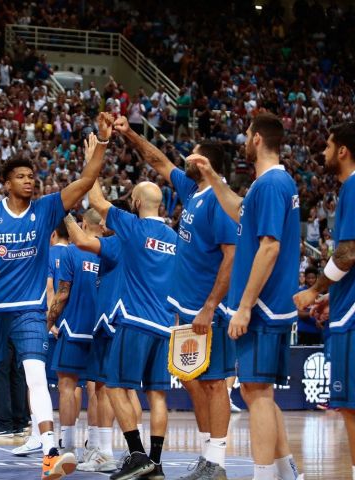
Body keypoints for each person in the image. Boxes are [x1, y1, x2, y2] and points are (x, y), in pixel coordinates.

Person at [0, 114, 112, 479]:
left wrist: (101, 143)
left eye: (31, 176)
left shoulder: (46, 208)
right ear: (7, 183)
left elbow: (86, 181)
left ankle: (50, 451)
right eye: (21, 176)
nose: (29, 180)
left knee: (36, 376)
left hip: (29, 310)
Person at [115, 116, 237, 478]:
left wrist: (210, 306)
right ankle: (207, 454)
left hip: (210, 308)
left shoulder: (219, 200)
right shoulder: (193, 190)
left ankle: (217, 461)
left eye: (194, 155)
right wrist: (129, 133)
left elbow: (232, 257)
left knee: (214, 383)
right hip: (186, 307)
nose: (186, 158)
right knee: (192, 380)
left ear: (206, 163)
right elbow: (158, 161)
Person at [189, 112, 303, 480]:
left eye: (246, 132)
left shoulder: (270, 184)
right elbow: (239, 211)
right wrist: (212, 176)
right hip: (269, 305)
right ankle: (287, 473)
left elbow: (269, 247)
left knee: (257, 394)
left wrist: (244, 307)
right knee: (259, 392)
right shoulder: (268, 185)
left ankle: (264, 475)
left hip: (263, 306)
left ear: (256, 139)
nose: (243, 138)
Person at [294, 123, 355, 480]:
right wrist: (334, 296)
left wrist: (313, 290)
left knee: (354, 408)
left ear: (343, 151)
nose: (324, 152)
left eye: (329, 145)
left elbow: (348, 253)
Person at [87, 174, 178, 479]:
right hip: (165, 325)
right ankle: (156, 463)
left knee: (113, 386)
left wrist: (92, 162)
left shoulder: (133, 226)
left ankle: (137, 455)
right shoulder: (175, 239)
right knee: (157, 395)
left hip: (136, 319)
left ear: (136, 202)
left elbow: (96, 201)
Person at [63, 202, 142, 474]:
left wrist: (62, 211)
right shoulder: (136, 242)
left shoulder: (118, 242)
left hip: (112, 319)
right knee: (124, 389)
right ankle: (133, 452)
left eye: (109, 217)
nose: (104, 222)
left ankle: (106, 452)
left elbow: (81, 241)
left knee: (105, 388)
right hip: (126, 320)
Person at [46, 209, 103, 460]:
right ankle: (97, 447)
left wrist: (49, 321)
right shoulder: (109, 251)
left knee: (67, 387)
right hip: (101, 329)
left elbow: (62, 293)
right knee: (98, 389)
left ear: (83, 224)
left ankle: (68, 447)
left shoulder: (71, 251)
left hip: (73, 327)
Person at [13, 221, 70, 457]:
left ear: (52, 233)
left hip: (48, 323)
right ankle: (68, 439)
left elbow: (49, 287)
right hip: (73, 326)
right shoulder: (78, 252)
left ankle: (38, 436)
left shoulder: (47, 253)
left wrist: (50, 320)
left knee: (35, 382)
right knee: (71, 385)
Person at [296, 267, 322, 345]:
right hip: (303, 330)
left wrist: (320, 320)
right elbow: (299, 313)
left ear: (316, 278)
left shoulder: (320, 293)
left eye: (313, 278)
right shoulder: (300, 292)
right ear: (305, 278)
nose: (311, 280)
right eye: (308, 278)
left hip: (317, 331)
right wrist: (313, 313)